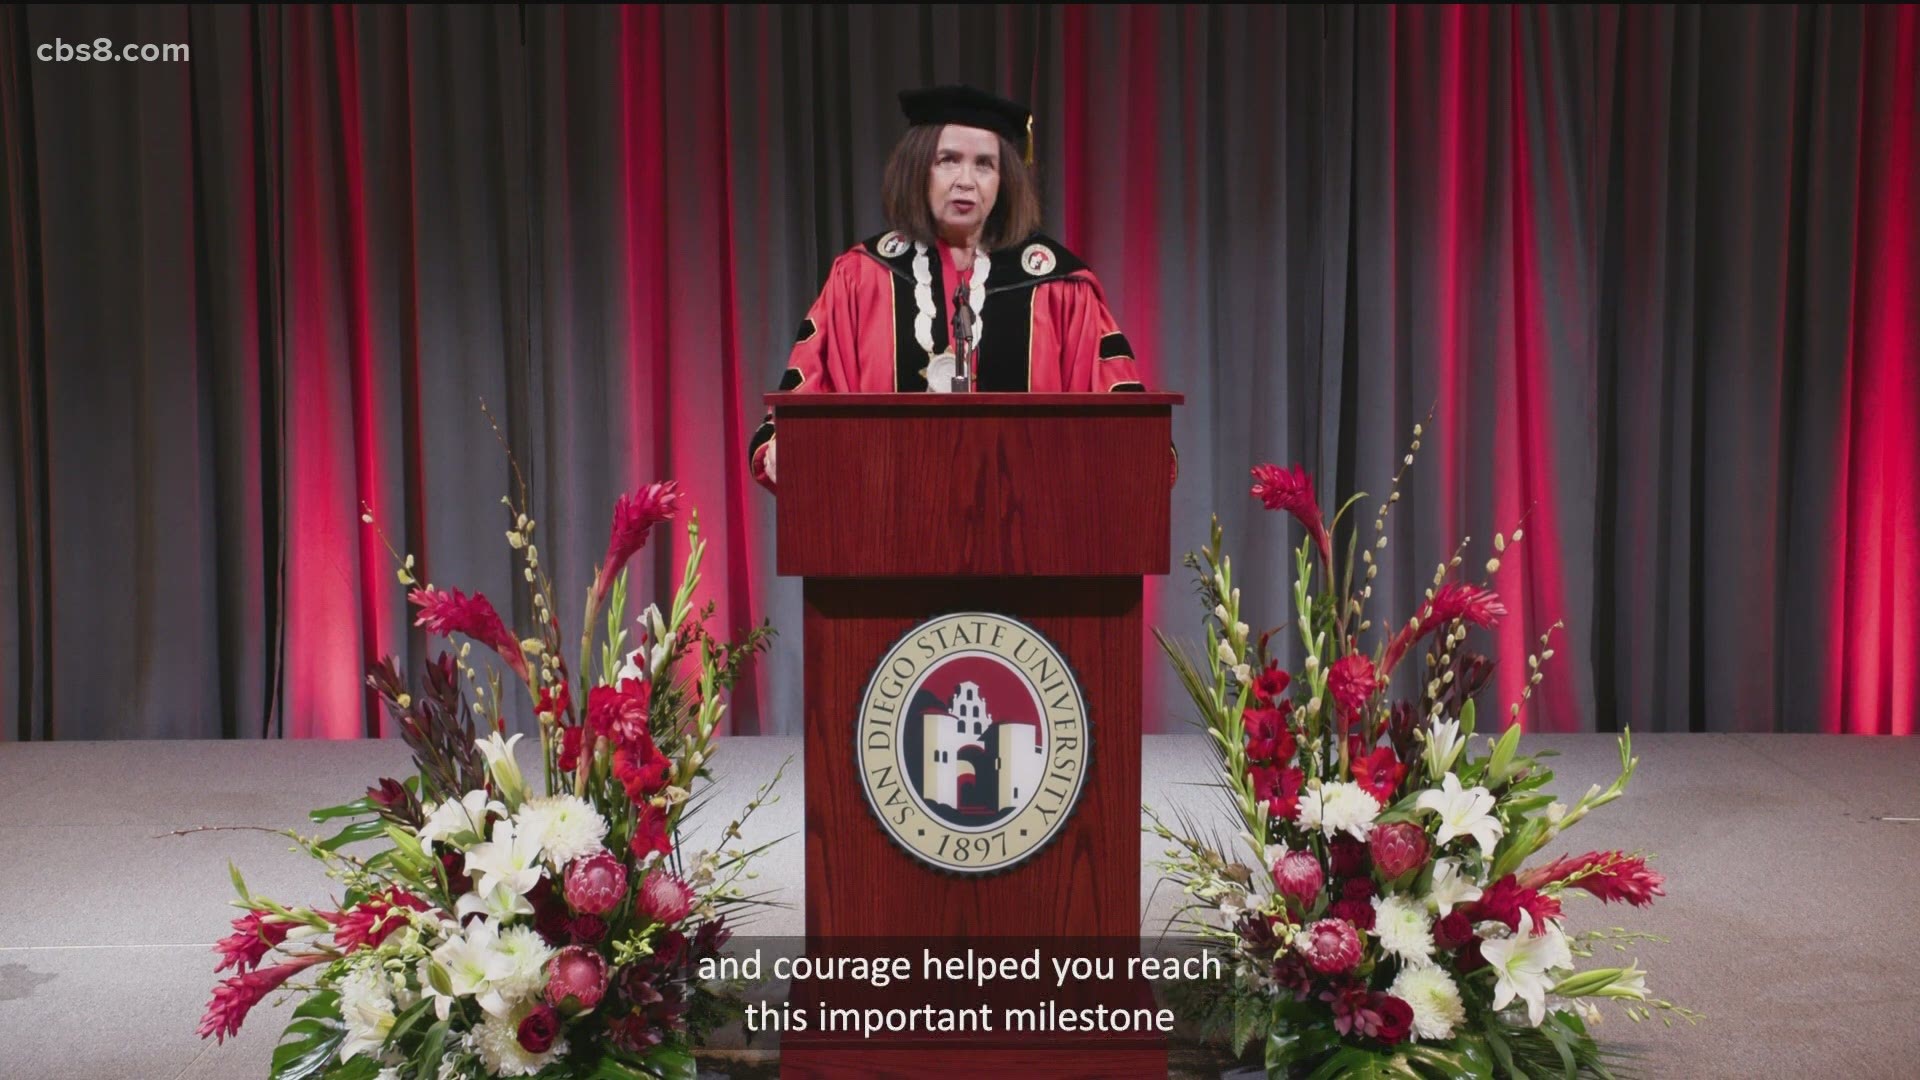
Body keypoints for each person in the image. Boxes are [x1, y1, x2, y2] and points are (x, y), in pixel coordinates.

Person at [749, 84, 1157, 490]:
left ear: (1005, 179)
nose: (966, 181)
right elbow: (804, 397)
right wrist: (786, 445)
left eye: (984, 165)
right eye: (947, 160)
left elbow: (1118, 409)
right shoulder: (862, 279)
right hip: (883, 516)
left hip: (1029, 521)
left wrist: (1137, 452)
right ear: (917, 168)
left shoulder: (1058, 287)